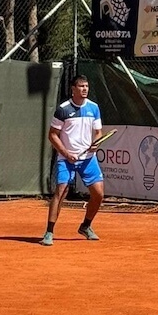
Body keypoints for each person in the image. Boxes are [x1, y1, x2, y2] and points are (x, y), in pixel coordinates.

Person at [40, 74, 104, 246]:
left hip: (88, 159)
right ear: (73, 89)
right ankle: (49, 232)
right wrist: (67, 153)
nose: (85, 89)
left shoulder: (94, 108)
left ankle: (85, 226)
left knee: (98, 195)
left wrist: (95, 144)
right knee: (61, 191)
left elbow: (98, 132)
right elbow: (52, 135)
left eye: (87, 86)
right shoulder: (63, 109)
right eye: (81, 86)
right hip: (66, 158)